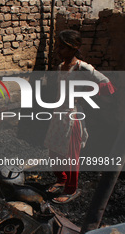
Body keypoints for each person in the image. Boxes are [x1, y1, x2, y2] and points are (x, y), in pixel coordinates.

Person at [44, 30, 115, 203]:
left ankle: (71, 189)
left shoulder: (83, 68)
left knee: (71, 155)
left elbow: (108, 86)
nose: (58, 51)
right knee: (54, 151)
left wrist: (84, 95)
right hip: (58, 114)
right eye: (58, 47)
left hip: (72, 117)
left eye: (63, 47)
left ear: (74, 48)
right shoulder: (61, 66)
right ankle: (61, 180)